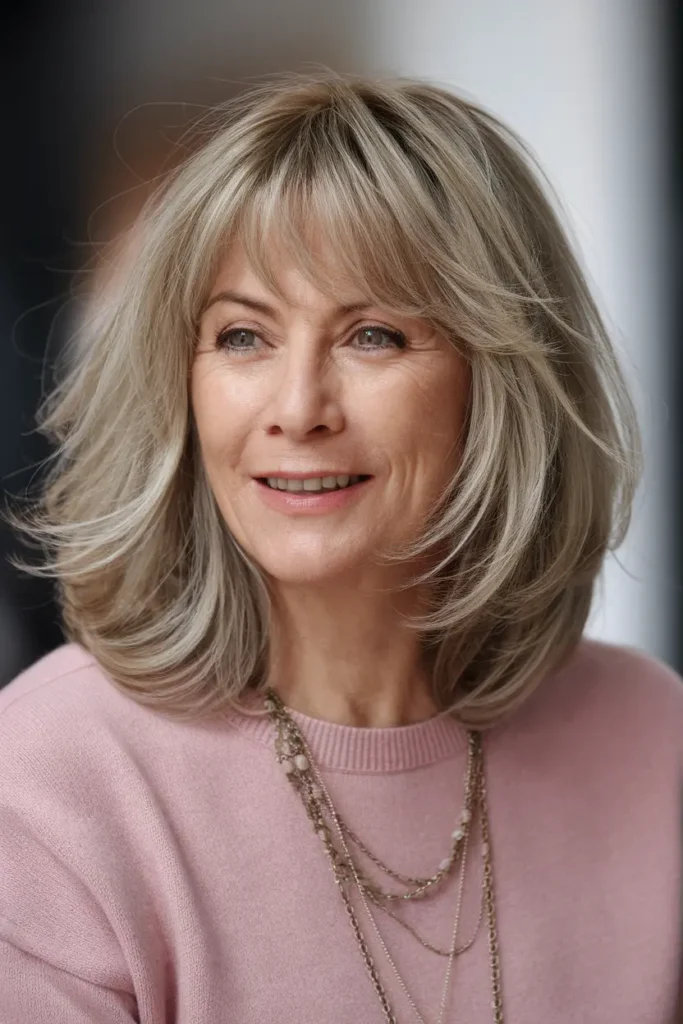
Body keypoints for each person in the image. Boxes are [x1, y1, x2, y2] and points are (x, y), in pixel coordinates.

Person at [0, 70, 681, 1024]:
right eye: (243, 337)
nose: (297, 409)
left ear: (503, 378)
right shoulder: (44, 786)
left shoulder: (655, 741)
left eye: (371, 334)